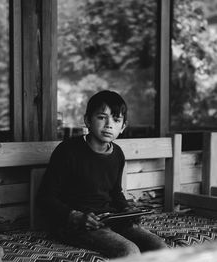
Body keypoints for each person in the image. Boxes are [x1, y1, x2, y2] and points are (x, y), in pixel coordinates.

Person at [37, 90, 167, 258]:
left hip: (109, 219)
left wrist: (127, 209)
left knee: (159, 246)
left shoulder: (118, 154)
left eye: (116, 119)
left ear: (123, 127)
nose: (109, 125)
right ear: (87, 120)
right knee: (130, 251)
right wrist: (75, 216)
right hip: (76, 225)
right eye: (101, 117)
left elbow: (115, 192)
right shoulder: (67, 151)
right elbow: (45, 197)